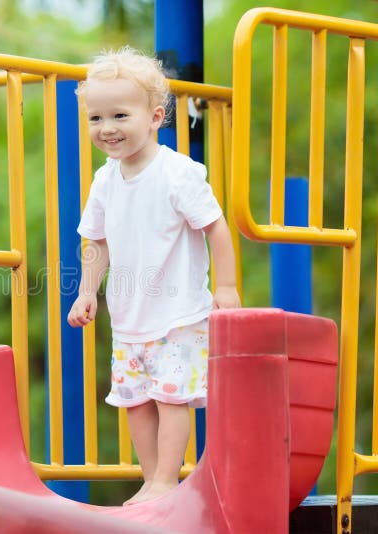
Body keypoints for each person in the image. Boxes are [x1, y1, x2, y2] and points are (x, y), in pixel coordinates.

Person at [67, 46, 241, 505]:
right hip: (129, 316)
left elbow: (215, 227)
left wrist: (226, 286)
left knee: (170, 398)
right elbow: (97, 242)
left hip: (178, 313)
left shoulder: (176, 173)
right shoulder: (105, 180)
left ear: (155, 117)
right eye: (95, 118)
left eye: (120, 115)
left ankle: (167, 478)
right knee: (134, 400)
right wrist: (88, 293)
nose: (107, 128)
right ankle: (152, 482)